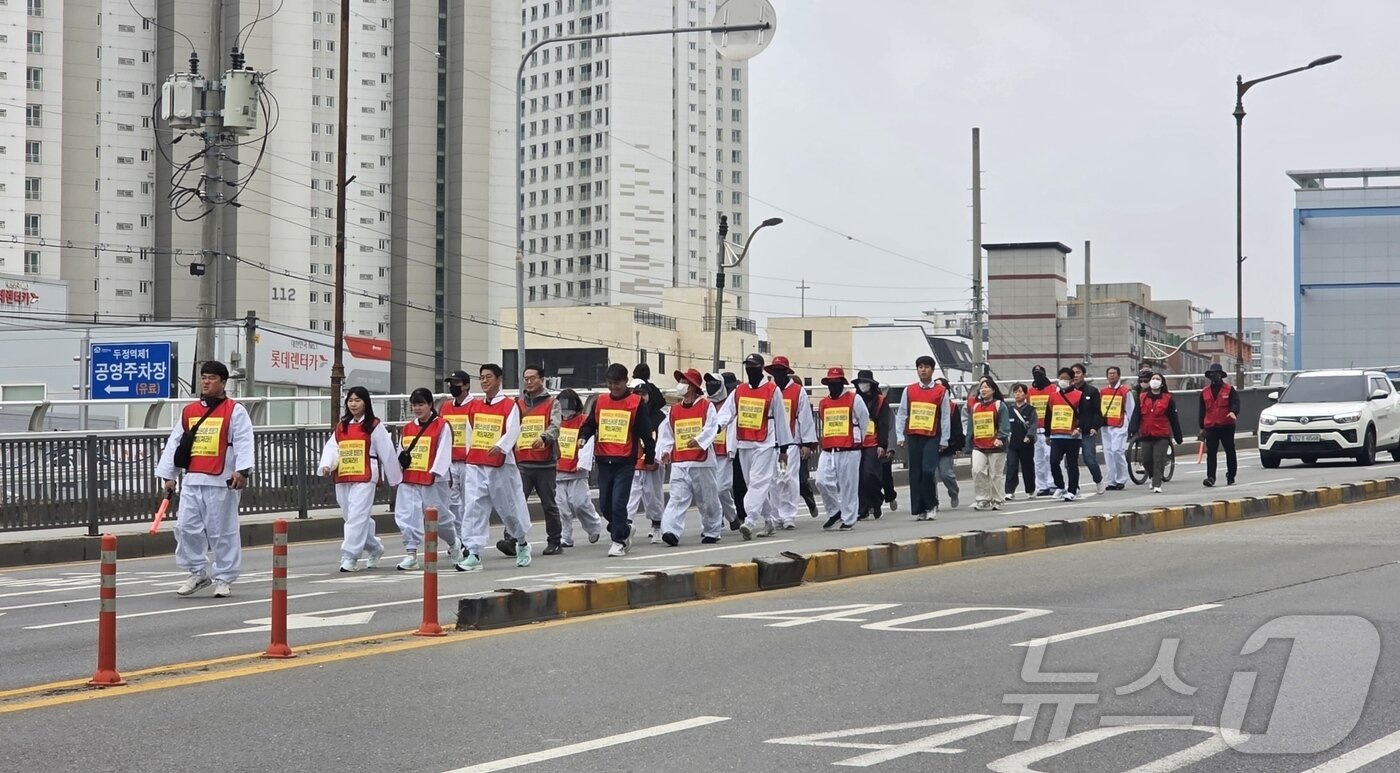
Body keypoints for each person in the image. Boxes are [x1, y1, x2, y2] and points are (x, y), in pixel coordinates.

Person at [154, 360, 254, 598]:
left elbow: (244, 441)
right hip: (193, 478)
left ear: (223, 382)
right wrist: (169, 476)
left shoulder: (235, 410)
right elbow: (175, 443)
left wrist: (242, 470)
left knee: (223, 531)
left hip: (222, 480)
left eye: (211, 378)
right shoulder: (189, 411)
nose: (206, 382)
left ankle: (224, 577)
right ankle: (197, 572)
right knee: (185, 528)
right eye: (203, 377)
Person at [452, 364, 533, 571]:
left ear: (499, 380)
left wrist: (501, 446)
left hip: (500, 465)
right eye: (482, 378)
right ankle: (474, 552)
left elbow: (514, 429)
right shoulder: (476, 406)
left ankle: (522, 543)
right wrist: (471, 455)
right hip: (477, 463)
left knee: (509, 507)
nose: (485, 381)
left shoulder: (509, 405)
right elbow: (470, 432)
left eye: (489, 377)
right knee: (473, 507)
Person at [318, 387, 403, 572]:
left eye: (358, 400)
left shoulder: (373, 425)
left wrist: (395, 479)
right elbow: (333, 448)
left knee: (356, 516)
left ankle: (350, 556)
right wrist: (327, 465)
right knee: (352, 516)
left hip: (365, 476)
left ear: (366, 402)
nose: (353, 404)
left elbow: (387, 453)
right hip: (344, 475)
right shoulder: (342, 426)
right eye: (350, 400)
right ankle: (375, 547)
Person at [576, 363, 656, 556]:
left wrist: (650, 457)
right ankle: (625, 529)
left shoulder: (636, 403)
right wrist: (583, 437)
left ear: (626, 381)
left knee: (619, 503)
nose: (613, 387)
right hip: (604, 460)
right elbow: (589, 425)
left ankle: (618, 541)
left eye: (617, 383)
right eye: (610, 383)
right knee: (605, 505)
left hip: (625, 462)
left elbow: (646, 433)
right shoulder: (600, 402)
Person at [714, 353, 793, 540]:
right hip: (745, 443)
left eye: (753, 366)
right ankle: (769, 521)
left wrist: (783, 450)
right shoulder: (739, 391)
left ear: (761, 368)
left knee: (758, 482)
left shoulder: (773, 390)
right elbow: (727, 412)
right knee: (753, 484)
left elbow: (782, 420)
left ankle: (749, 520)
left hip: (765, 443)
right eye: (747, 366)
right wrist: (718, 426)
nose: (750, 369)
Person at [656, 369, 724, 545]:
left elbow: (711, 427)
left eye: (684, 381)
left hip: (702, 462)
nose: (681, 385)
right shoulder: (674, 410)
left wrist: (699, 440)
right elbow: (667, 433)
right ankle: (671, 530)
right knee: (676, 498)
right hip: (680, 462)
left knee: (707, 499)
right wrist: (665, 451)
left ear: (693, 387)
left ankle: (712, 530)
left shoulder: (706, 406)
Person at [394, 388, 458, 571]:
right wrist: (397, 472)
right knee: (407, 515)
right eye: (414, 404)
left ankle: (454, 543)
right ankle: (411, 553)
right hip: (410, 478)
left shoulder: (442, 425)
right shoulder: (407, 428)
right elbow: (401, 451)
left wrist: (436, 471)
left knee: (441, 518)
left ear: (430, 405)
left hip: (433, 481)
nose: (417, 408)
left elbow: (444, 450)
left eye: (421, 404)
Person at [505, 364, 565, 555]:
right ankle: (512, 539)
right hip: (522, 461)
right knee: (517, 501)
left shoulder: (552, 403)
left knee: (548, 503)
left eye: (533, 378)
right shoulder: (518, 404)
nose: (529, 382)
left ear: (542, 379)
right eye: (526, 379)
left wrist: (544, 438)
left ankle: (555, 541)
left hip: (545, 462)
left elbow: (556, 426)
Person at [894, 355, 951, 521]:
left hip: (932, 436)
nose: (923, 370)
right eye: (920, 367)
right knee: (915, 473)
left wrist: (944, 439)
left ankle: (931, 504)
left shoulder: (941, 391)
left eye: (926, 367)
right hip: (914, 435)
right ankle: (919, 509)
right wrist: (900, 435)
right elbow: (902, 413)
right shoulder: (909, 390)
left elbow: (945, 416)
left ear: (932, 370)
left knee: (928, 471)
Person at [765, 356, 817, 529]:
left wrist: (807, 443)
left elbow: (805, 418)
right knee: (774, 480)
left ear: (786, 372)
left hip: (790, 444)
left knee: (786, 477)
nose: (777, 374)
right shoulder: (769, 390)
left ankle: (788, 515)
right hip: (771, 443)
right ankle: (776, 515)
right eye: (775, 371)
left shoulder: (797, 391)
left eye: (780, 371)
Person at [816, 367, 869, 530]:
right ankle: (834, 511)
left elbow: (864, 420)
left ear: (842, 383)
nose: (833, 385)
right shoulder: (823, 402)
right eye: (830, 382)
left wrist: (859, 440)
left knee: (849, 485)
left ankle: (849, 518)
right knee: (821, 481)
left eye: (836, 382)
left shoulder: (854, 399)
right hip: (829, 448)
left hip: (849, 449)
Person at [553, 389, 605, 548]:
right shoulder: (554, 422)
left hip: (576, 471)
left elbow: (588, 443)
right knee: (562, 508)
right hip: (557, 471)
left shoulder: (583, 421)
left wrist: (582, 464)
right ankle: (565, 537)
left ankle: (593, 526)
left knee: (580, 503)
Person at [625, 377, 667, 543]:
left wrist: (658, 457)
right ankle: (626, 525)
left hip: (653, 462)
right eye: (637, 393)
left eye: (643, 393)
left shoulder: (660, 417)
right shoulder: (630, 413)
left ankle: (657, 525)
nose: (641, 397)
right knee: (631, 494)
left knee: (653, 495)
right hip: (634, 461)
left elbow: (664, 438)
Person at [1128, 371, 1183, 492]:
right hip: (1146, 434)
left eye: (1157, 379)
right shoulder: (1142, 398)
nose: (1154, 381)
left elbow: (1174, 419)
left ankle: (1157, 484)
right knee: (1147, 460)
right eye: (1153, 379)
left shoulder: (1168, 399)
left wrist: (1178, 436)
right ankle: (1154, 476)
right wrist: (1132, 429)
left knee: (1158, 459)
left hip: (1161, 434)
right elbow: (1136, 415)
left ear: (1162, 383)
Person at [438, 370, 475, 544]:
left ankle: (469, 537)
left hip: (469, 462)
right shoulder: (445, 406)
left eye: (457, 383)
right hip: (450, 462)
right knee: (451, 502)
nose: (453, 386)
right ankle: (459, 537)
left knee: (469, 502)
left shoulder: (475, 405)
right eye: (450, 383)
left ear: (466, 385)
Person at [965, 377, 1011, 511]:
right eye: (981, 387)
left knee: (996, 474)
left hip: (996, 446)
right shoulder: (975, 407)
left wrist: (1001, 437)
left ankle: (997, 500)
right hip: (978, 445)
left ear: (993, 390)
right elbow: (970, 426)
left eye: (986, 387)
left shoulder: (999, 405)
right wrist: (968, 443)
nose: (983, 390)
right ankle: (982, 499)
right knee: (977, 471)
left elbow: (1005, 424)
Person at [703, 373, 740, 531]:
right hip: (709, 452)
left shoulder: (730, 404)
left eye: (715, 383)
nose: (711, 385)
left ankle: (726, 517)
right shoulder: (704, 404)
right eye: (709, 382)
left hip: (725, 452)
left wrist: (733, 448)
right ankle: (731, 517)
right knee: (710, 490)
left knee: (721, 488)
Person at [854, 369, 893, 519]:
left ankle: (876, 501)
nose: (863, 385)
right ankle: (863, 508)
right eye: (861, 382)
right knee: (859, 477)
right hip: (857, 443)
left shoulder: (881, 401)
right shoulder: (854, 399)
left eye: (865, 382)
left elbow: (884, 424)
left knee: (870, 475)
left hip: (873, 442)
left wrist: (882, 445)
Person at [1046, 366, 1084, 501]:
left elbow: (1084, 415)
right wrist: (1047, 434)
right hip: (1056, 435)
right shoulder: (1053, 396)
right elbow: (1048, 415)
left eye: (1066, 379)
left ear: (1072, 380)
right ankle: (1060, 485)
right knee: (1054, 462)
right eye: (1061, 378)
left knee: (1072, 464)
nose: (1063, 381)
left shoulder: (1079, 395)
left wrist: (1078, 428)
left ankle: (1072, 490)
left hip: (1072, 436)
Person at [1199, 363, 1239, 487]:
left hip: (1227, 425)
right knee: (1211, 453)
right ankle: (1211, 477)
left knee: (1230, 451)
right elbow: (1202, 411)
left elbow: (1236, 403)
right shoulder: (1204, 392)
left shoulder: (1229, 389)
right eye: (1212, 374)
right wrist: (1201, 427)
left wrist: (1233, 412)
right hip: (1211, 426)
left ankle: (1231, 475)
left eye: (1216, 374)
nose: (1214, 376)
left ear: (1221, 375)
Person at [1070, 363, 1105, 494]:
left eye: (1078, 372)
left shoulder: (1092, 391)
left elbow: (1097, 412)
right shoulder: (1067, 391)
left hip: (1087, 430)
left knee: (1089, 458)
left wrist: (1095, 427)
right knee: (1070, 461)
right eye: (1073, 373)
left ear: (1084, 374)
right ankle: (1074, 486)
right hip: (1071, 431)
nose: (1075, 375)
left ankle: (1098, 480)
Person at [1099, 366, 1134, 491]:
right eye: (1109, 373)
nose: (1112, 375)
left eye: (1114, 373)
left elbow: (1130, 409)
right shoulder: (1102, 392)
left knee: (1117, 451)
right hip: (1106, 425)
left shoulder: (1125, 391)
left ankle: (1121, 479)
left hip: (1120, 424)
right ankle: (1112, 480)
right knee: (1108, 453)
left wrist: (1131, 427)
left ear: (1119, 376)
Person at [1003, 383, 1038, 500]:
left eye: (1020, 391)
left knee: (1027, 466)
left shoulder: (1030, 410)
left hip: (1026, 443)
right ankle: (1009, 490)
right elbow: (1005, 425)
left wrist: (1029, 436)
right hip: (1012, 443)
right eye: (1015, 392)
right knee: (1011, 466)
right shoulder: (1009, 409)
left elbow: (1033, 424)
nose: (1017, 394)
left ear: (1025, 394)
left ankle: (1031, 489)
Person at [934, 377, 964, 509]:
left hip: (947, 445)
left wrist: (957, 446)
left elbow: (957, 427)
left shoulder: (952, 407)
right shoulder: (929, 404)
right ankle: (933, 502)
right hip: (931, 444)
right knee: (931, 476)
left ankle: (954, 492)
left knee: (946, 474)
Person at [1026, 365, 1056, 496]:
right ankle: (1042, 486)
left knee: (1050, 457)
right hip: (1035, 430)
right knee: (1038, 460)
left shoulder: (1053, 389)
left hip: (1048, 429)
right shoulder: (1030, 391)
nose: (1037, 376)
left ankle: (1053, 483)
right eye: (1035, 374)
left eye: (1039, 374)